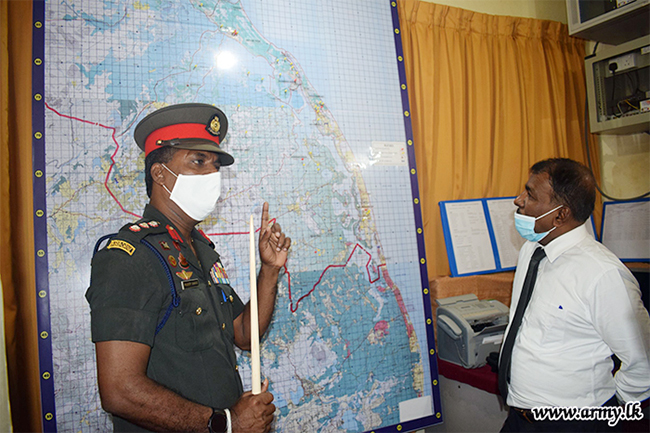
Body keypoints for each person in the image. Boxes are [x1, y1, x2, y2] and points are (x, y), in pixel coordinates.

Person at [86, 103, 291, 433]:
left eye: (215, 165)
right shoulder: (130, 258)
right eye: (198, 161)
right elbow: (119, 391)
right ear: (160, 173)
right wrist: (226, 423)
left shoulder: (201, 251)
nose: (211, 174)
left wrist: (269, 270)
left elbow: (244, 334)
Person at [498, 158, 650, 432]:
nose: (518, 200)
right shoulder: (531, 251)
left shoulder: (603, 275)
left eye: (530, 194)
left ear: (560, 214)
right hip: (520, 417)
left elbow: (644, 361)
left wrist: (610, 410)